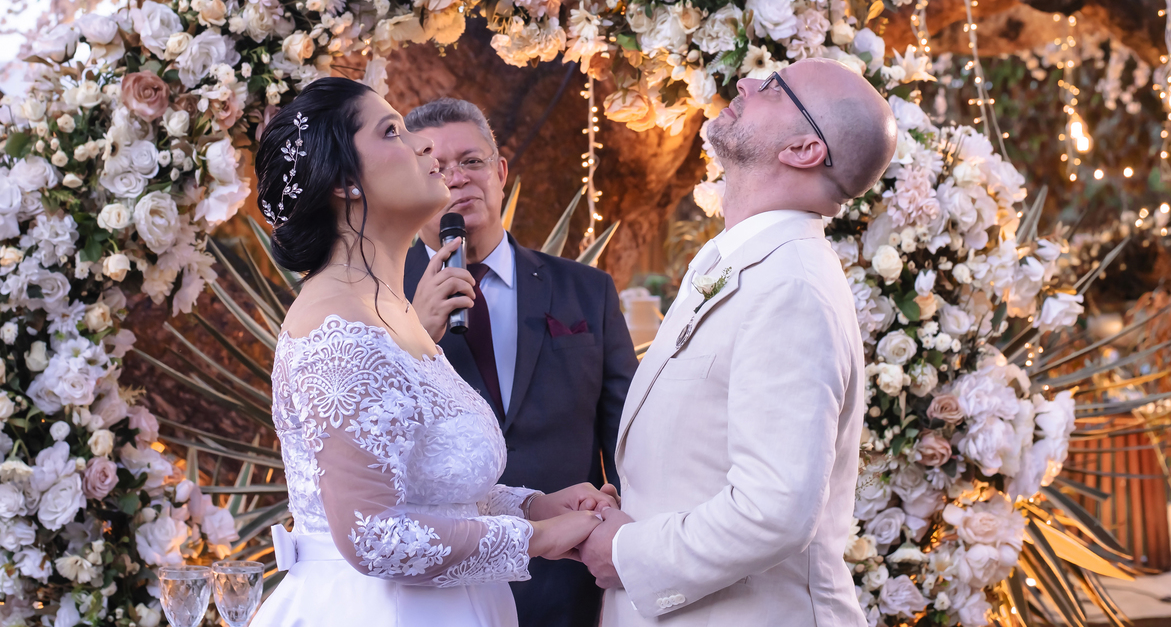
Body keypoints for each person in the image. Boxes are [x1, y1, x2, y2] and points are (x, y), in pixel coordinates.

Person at [252, 78, 618, 627]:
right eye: (393, 132)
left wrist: (531, 504)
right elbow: (371, 535)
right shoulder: (338, 327)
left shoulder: (386, 310)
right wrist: (536, 537)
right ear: (347, 182)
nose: (425, 147)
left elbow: (425, 486)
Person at [579, 58, 899, 626]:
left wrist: (627, 553)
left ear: (803, 149)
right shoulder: (735, 261)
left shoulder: (791, 286)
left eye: (775, 86)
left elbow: (774, 510)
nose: (748, 82)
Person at [402, 98, 639, 627]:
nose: (456, 179)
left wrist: (628, 549)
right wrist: (414, 336)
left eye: (471, 161)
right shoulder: (379, 306)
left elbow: (628, 440)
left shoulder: (586, 290)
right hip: (439, 590)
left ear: (501, 171)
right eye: (434, 168)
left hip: (572, 580)